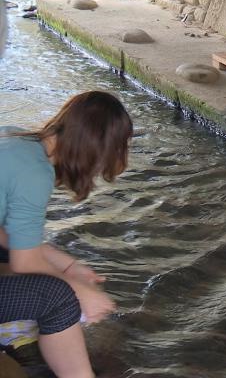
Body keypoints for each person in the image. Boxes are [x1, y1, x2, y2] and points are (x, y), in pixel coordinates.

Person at [0, 91, 133, 378]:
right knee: (59, 298)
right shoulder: (35, 173)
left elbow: (5, 233)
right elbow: (24, 263)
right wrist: (80, 290)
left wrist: (68, 266)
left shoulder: (13, 138)